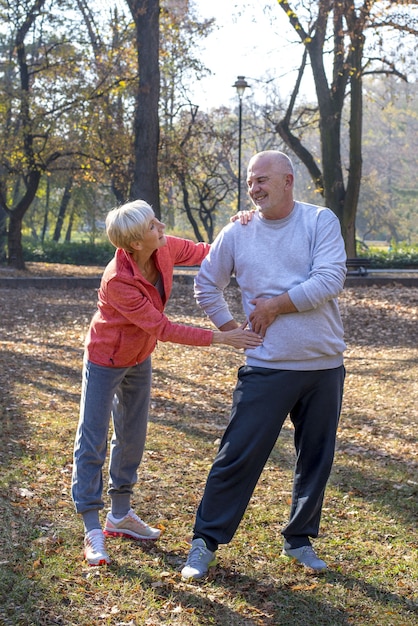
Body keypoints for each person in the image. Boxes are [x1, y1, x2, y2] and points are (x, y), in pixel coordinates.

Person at [181, 150, 347, 579]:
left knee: (316, 457)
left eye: (262, 180)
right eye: (251, 181)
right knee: (237, 454)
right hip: (268, 366)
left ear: (289, 180)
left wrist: (275, 306)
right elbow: (205, 284)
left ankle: (299, 539)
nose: (254, 188)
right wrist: (231, 329)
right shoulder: (238, 231)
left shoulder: (319, 221)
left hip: (323, 366)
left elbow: (330, 279)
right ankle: (205, 542)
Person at [71, 199, 262, 567]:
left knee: (132, 436)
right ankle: (93, 527)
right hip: (106, 358)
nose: (162, 228)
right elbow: (162, 328)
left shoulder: (164, 247)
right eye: (152, 226)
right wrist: (222, 338)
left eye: (157, 221)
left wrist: (240, 225)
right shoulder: (118, 280)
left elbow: (211, 252)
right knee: (92, 437)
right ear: (135, 244)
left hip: (139, 356)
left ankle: (120, 515)